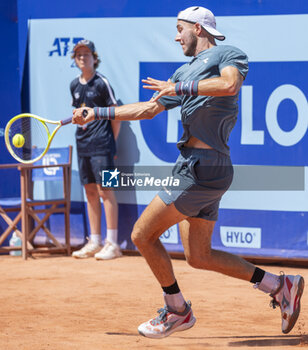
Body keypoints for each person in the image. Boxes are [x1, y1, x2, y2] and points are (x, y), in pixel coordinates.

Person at [72, 7, 304, 338]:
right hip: (196, 166)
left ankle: (177, 310)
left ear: (198, 28)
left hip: (203, 169)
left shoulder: (228, 53)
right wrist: (96, 112)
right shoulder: (182, 73)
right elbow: (149, 109)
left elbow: (229, 85)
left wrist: (180, 89)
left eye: (179, 29)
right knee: (199, 255)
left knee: (142, 234)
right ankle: (280, 286)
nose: (176, 36)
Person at [70, 39, 122, 260]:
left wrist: (112, 143)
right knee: (90, 192)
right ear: (75, 59)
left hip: (103, 145)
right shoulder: (73, 85)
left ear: (94, 57)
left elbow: (116, 114)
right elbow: (77, 116)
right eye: (78, 54)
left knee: (106, 191)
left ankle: (113, 243)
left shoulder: (102, 83)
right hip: (83, 146)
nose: (82, 57)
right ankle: (95, 240)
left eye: (86, 54)